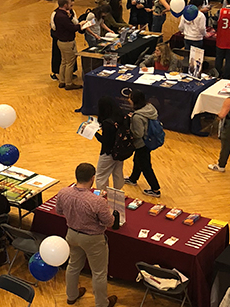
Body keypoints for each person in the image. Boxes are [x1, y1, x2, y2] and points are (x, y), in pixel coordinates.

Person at [55, 163, 118, 307]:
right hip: (93, 239)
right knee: (99, 273)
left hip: (71, 234)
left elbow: (59, 211)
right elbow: (109, 222)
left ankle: (71, 296)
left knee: (73, 265)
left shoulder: (63, 192)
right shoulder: (97, 201)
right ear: (92, 178)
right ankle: (102, 303)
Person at [124, 90, 161, 197]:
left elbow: (138, 134)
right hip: (149, 140)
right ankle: (133, 178)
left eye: (130, 98)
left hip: (141, 143)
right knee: (138, 160)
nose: (128, 100)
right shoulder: (150, 108)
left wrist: (129, 127)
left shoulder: (137, 117)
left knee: (146, 166)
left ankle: (155, 189)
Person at [94, 97, 126, 190]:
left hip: (108, 153)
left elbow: (106, 141)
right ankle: (118, 193)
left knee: (100, 176)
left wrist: (95, 133)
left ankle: (102, 196)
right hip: (120, 150)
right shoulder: (121, 117)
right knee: (118, 173)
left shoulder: (107, 123)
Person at [54, 0, 83, 90]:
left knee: (64, 62)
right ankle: (69, 83)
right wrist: (80, 25)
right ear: (65, 5)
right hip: (67, 42)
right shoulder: (62, 16)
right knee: (70, 63)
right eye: (70, 5)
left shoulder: (57, 13)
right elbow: (72, 28)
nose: (71, 7)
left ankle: (62, 81)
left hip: (61, 41)